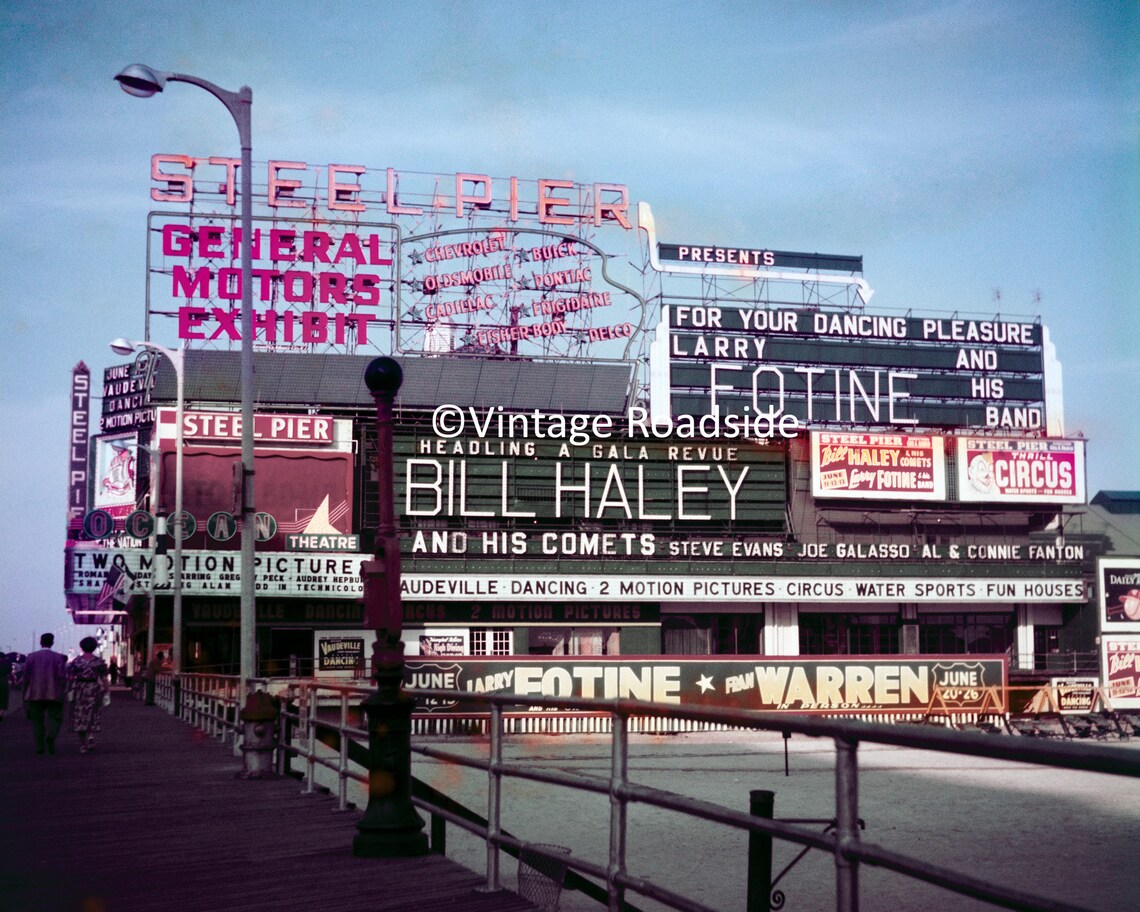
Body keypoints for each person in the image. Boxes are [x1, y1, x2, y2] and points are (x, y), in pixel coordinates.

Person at [22, 633, 68, 754]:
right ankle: (51, 736)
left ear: (40, 642)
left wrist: (24, 693)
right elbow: (62, 677)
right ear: (52, 642)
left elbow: (26, 676)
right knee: (56, 718)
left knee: (37, 720)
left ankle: (39, 746)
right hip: (54, 693)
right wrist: (64, 690)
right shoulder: (58, 658)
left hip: (35, 693)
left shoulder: (31, 657)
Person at [68, 636, 109, 753]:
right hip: (94, 689)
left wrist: (70, 690)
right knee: (93, 712)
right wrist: (107, 691)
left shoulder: (76, 661)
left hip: (80, 689)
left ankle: (82, 745)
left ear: (81, 647)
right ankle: (91, 736)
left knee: (80, 715)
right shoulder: (98, 661)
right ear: (94, 647)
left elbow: (71, 678)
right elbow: (104, 678)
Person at [0, 651, 13, 721]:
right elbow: (10, 672)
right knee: (3, 697)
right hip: (4, 681)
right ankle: (1, 713)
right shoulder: (7, 664)